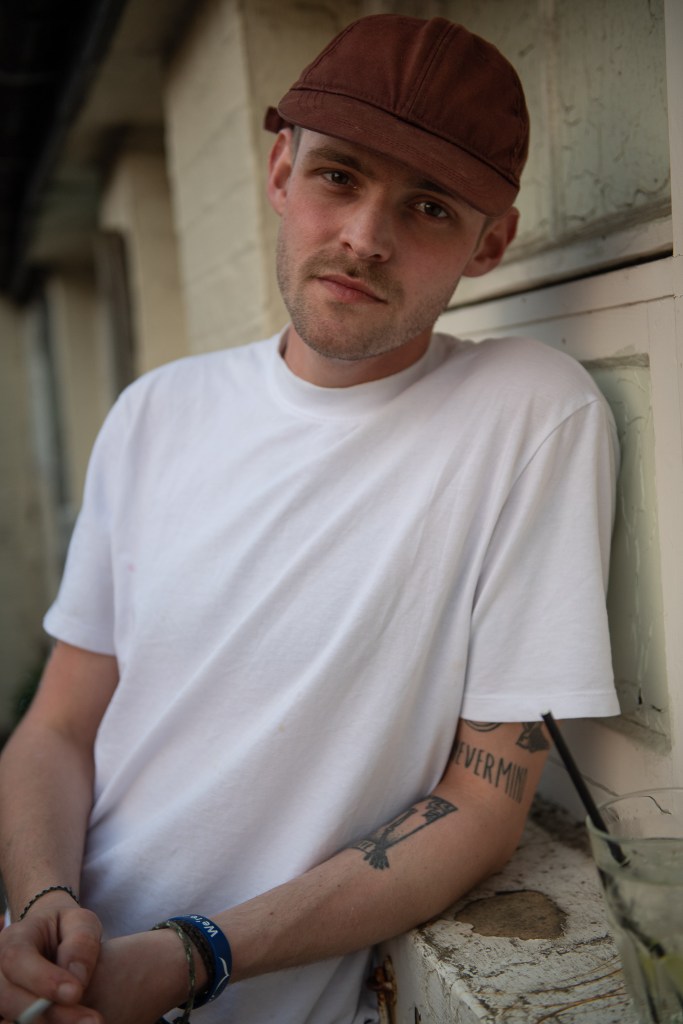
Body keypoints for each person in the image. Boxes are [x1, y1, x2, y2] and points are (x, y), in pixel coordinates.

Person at [0, 13, 620, 1024]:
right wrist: (42, 907)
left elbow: (481, 803)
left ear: (491, 243)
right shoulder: (155, 412)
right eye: (339, 176)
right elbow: (60, 724)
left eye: (426, 206)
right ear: (280, 172)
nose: (365, 238)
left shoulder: (529, 414)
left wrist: (190, 955)